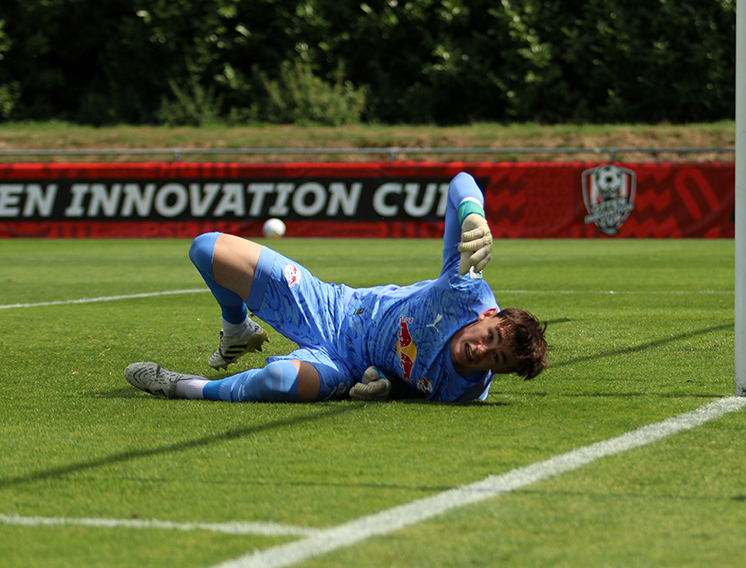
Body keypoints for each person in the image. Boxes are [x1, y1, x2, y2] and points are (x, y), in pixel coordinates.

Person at [124, 172, 548, 403]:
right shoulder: (466, 291)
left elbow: (405, 383)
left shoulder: (463, 392)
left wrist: (382, 386)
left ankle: (183, 386)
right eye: (490, 338)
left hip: (342, 369)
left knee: (276, 379)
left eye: (497, 360)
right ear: (487, 316)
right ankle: (236, 328)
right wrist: (474, 214)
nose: (481, 351)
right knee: (206, 249)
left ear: (502, 372)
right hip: (331, 307)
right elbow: (460, 180)